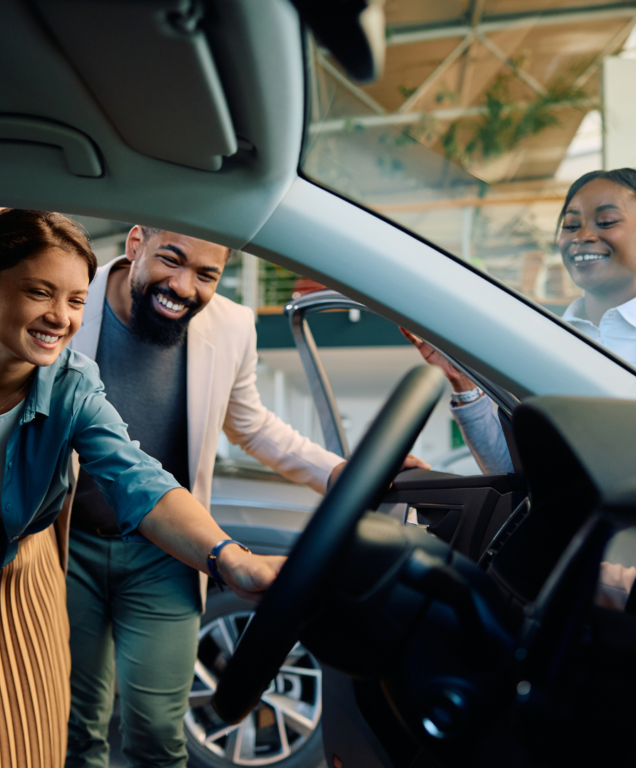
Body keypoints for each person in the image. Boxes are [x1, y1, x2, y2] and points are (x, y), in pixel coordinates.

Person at [0, 209, 285, 768]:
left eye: (76, 301)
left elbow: (139, 479)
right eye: (40, 293)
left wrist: (228, 558)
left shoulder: (73, 386)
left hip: (21, 578)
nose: (60, 318)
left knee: (30, 745)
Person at [63, 225, 429, 768]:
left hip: (170, 551)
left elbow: (252, 426)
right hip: (68, 546)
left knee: (158, 733)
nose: (184, 285)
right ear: (135, 243)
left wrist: (343, 475)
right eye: (172, 260)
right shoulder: (69, 295)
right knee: (74, 727)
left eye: (206, 273)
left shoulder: (232, 325)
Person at [406, 167, 636, 630]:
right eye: (570, 224)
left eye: (606, 222)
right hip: (555, 576)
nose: (583, 235)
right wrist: (463, 384)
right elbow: (513, 471)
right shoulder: (537, 337)